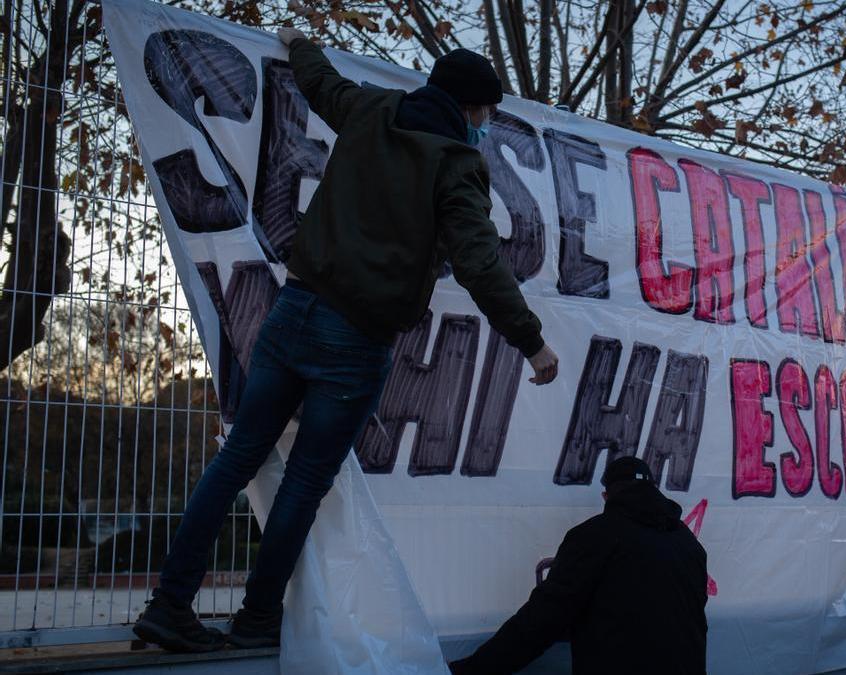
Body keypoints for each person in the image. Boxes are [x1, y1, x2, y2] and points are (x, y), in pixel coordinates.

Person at [133, 29, 559, 653]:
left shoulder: (376, 109)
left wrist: (300, 43)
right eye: (488, 113)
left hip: (295, 310)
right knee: (303, 482)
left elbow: (320, 83)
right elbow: (480, 261)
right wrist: (532, 342)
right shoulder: (457, 165)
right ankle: (256, 620)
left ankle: (170, 604)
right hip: (356, 340)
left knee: (238, 457)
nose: (488, 125)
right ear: (470, 110)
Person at [449, 457, 708, 675]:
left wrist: (471, 669)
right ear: (654, 489)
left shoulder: (595, 537)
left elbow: (542, 620)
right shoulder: (687, 543)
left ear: (606, 496)